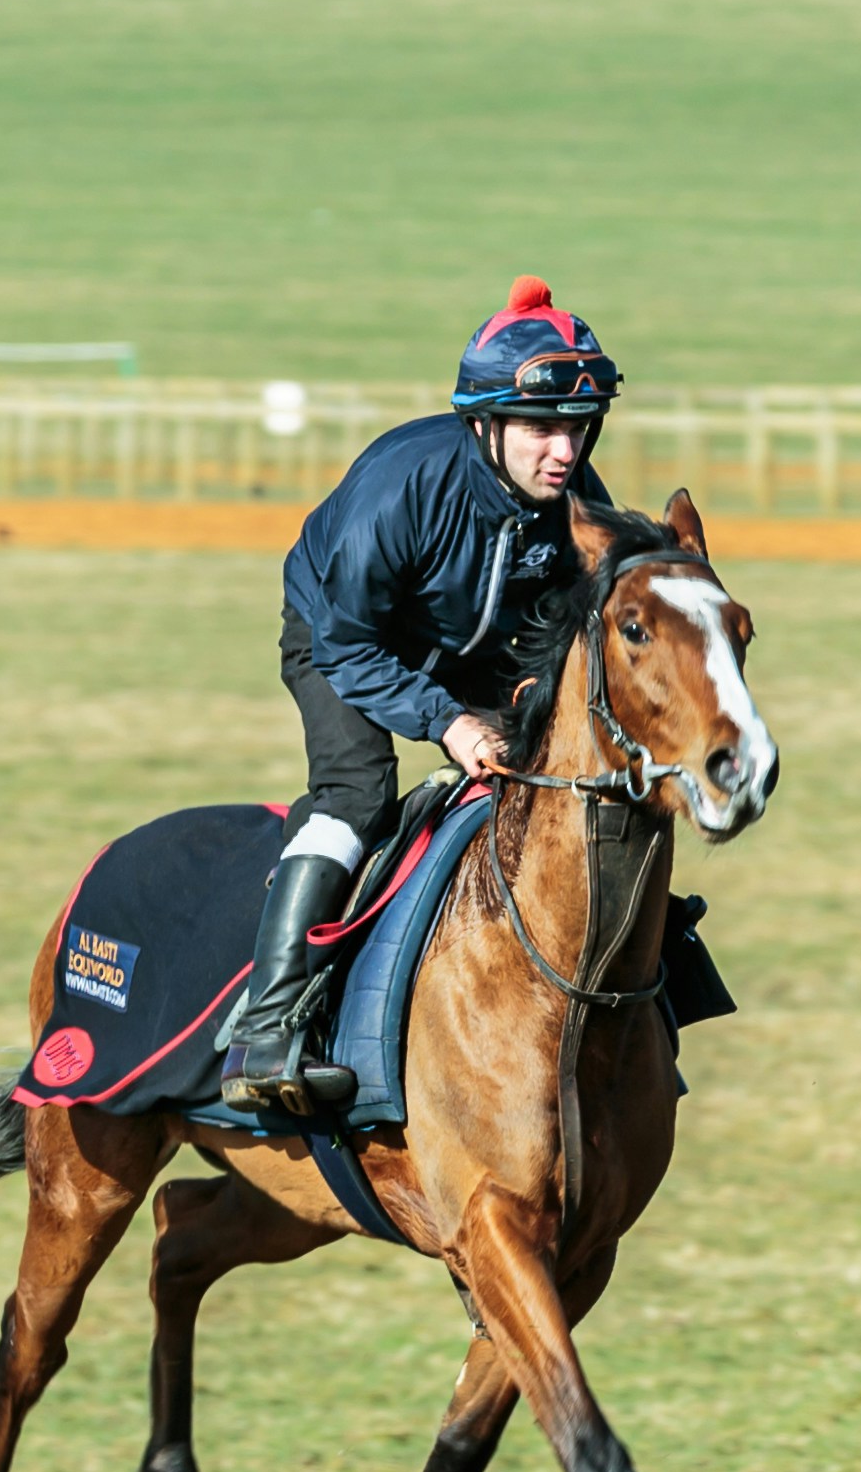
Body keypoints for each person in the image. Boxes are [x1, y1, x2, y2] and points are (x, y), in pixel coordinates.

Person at [216, 277, 621, 1115]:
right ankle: (266, 1027)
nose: (564, 451)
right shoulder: (400, 487)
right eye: (542, 428)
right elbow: (347, 642)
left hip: (473, 649)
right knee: (357, 798)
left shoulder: (582, 505)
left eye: (578, 429)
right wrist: (447, 722)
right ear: (485, 423)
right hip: (341, 633)